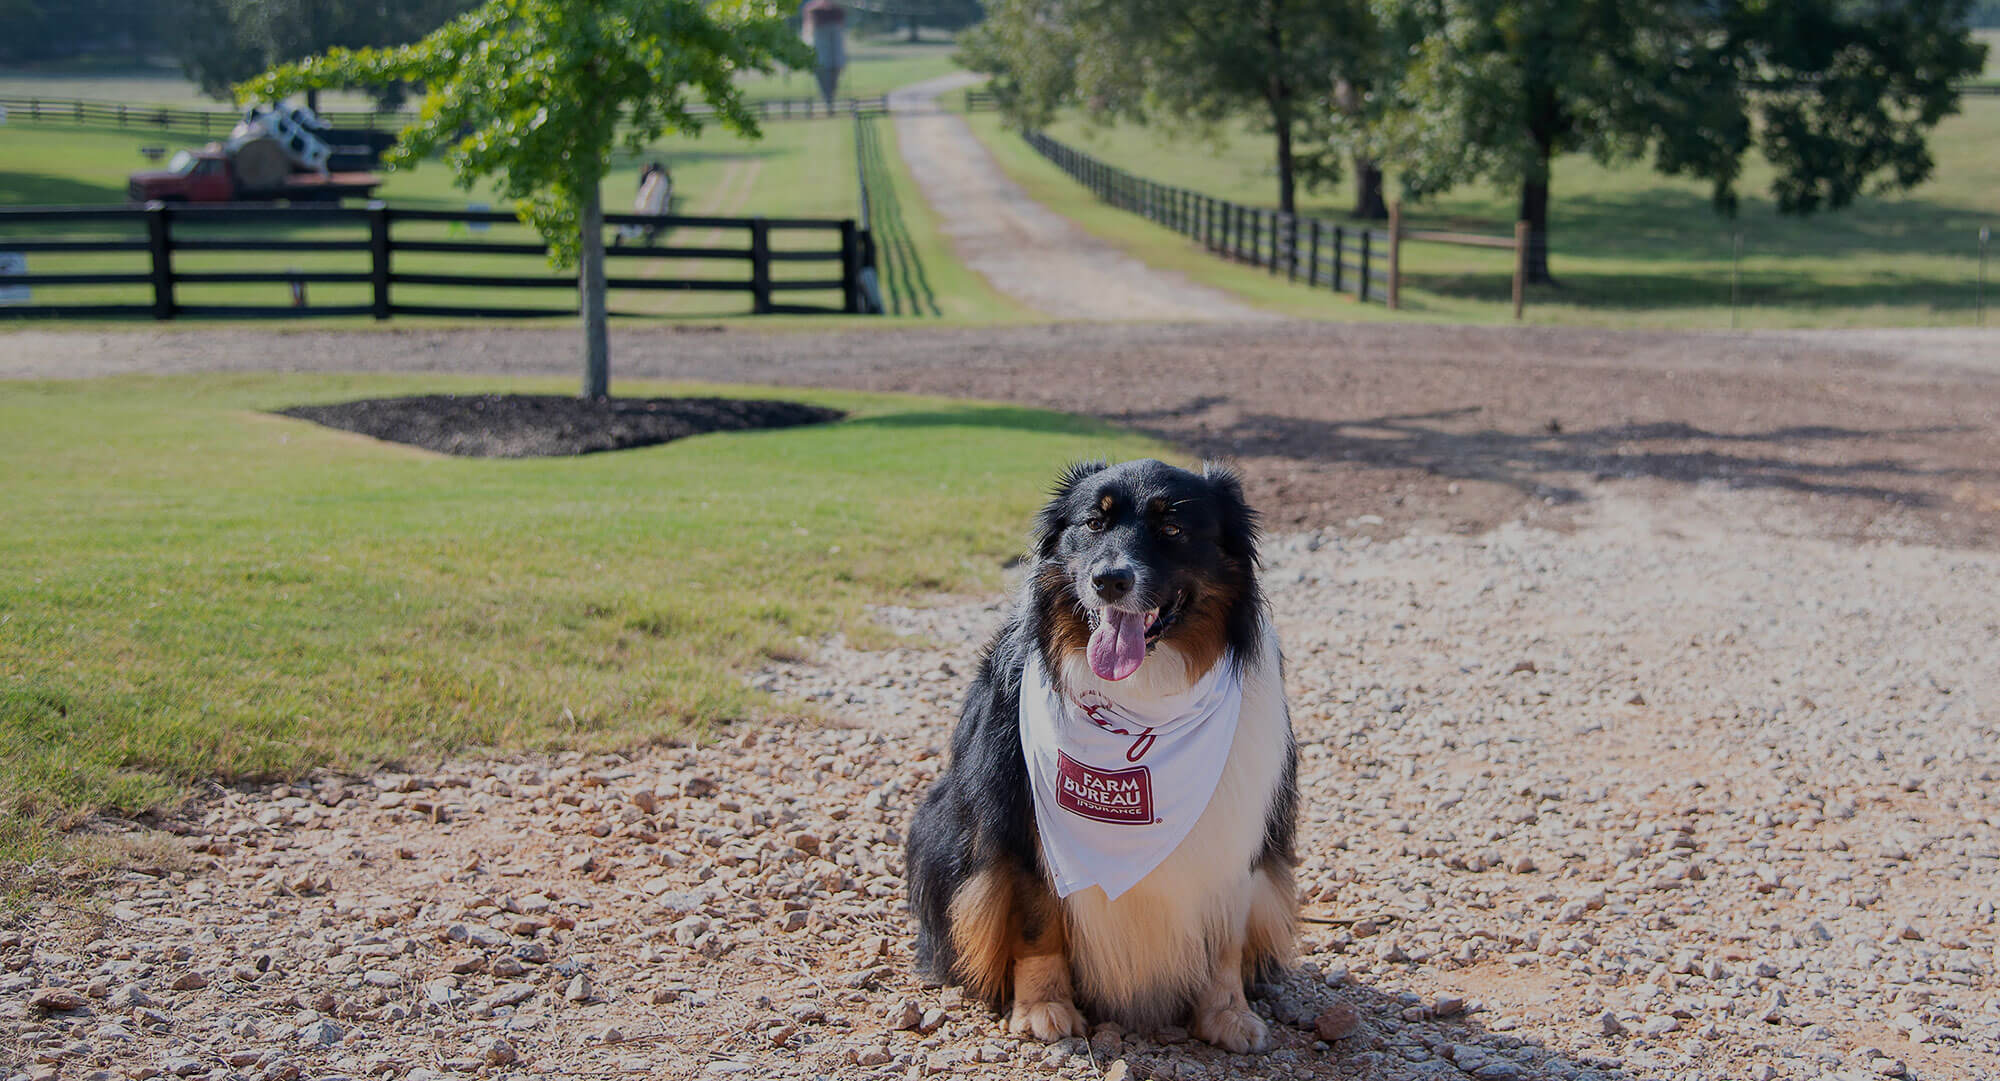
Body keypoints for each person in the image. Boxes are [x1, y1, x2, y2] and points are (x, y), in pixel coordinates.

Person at [617, 161, 673, 246]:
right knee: (645, 226)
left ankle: (648, 242)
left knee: (643, 226)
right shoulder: (660, 179)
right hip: (650, 208)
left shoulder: (654, 178)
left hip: (647, 207)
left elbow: (647, 192)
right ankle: (649, 243)